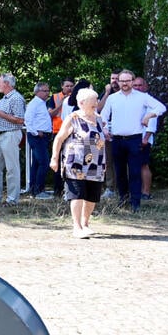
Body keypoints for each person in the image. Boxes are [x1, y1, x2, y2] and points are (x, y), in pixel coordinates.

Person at [100, 70, 165, 212]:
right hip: (117, 139)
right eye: (122, 81)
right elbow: (103, 116)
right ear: (118, 82)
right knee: (120, 172)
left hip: (135, 139)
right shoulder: (113, 98)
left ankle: (136, 203)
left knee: (135, 172)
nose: (124, 83)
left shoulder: (142, 97)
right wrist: (105, 129)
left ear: (132, 81)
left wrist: (149, 115)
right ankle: (123, 200)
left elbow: (161, 107)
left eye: (127, 81)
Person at [50, 88, 106, 238]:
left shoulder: (99, 118)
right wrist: (54, 158)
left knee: (92, 196)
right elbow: (59, 139)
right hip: (76, 163)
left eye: (96, 100)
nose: (97, 103)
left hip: (96, 163)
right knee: (77, 194)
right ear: (81, 103)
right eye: (93, 101)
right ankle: (77, 227)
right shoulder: (72, 118)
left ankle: (85, 224)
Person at [0, 72, 26, 206]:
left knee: (11, 167)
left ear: (7, 84)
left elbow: (20, 120)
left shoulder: (16, 98)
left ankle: (12, 199)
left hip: (11, 133)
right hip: (2, 135)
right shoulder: (3, 100)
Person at [25, 81, 54, 199]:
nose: (48, 93)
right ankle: (38, 190)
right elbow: (27, 120)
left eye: (48, 91)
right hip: (37, 137)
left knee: (37, 163)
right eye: (45, 91)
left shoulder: (42, 103)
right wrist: (36, 132)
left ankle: (34, 189)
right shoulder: (34, 103)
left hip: (42, 137)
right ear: (37, 92)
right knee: (44, 162)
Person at [50, 78, 76, 196]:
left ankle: (69, 189)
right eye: (67, 86)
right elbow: (51, 114)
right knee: (58, 162)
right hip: (58, 132)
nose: (69, 88)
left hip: (72, 133)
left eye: (71, 86)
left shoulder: (78, 97)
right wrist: (62, 103)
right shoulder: (55, 97)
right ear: (62, 86)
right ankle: (57, 189)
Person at [132, 76, 157, 199]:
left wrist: (145, 139)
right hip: (132, 138)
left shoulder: (149, 101)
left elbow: (152, 123)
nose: (137, 87)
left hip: (143, 139)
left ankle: (146, 192)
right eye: (135, 85)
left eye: (140, 85)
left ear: (145, 86)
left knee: (143, 165)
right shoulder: (133, 100)